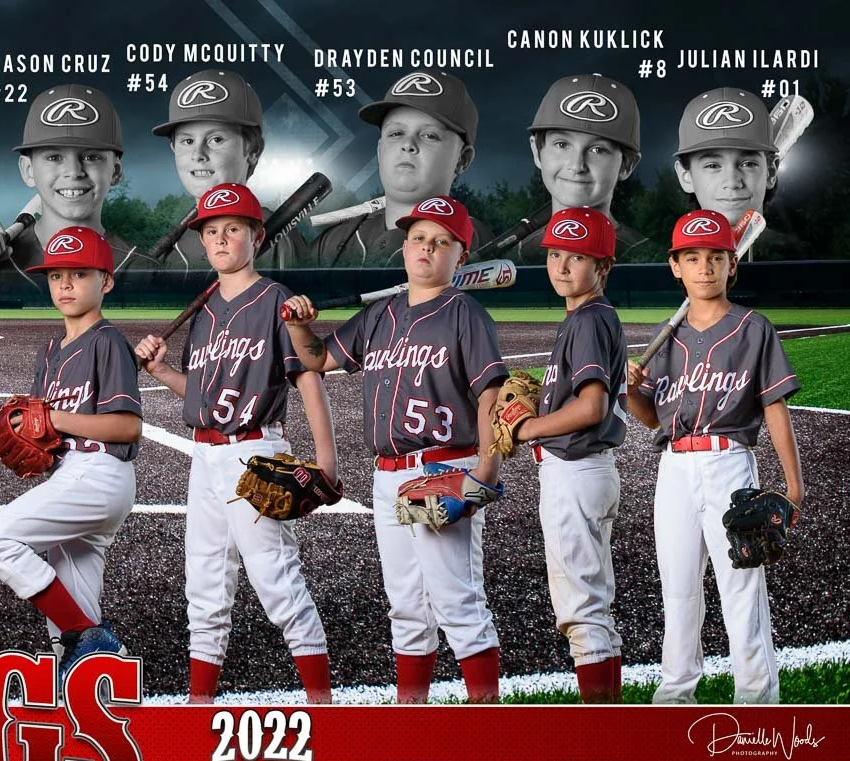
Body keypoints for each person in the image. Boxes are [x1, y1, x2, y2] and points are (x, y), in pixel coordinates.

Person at [282, 195, 510, 703]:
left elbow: (490, 397)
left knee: (457, 601)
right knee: (406, 605)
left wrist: (485, 473)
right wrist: (299, 324)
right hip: (387, 476)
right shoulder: (379, 315)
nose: (427, 248)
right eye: (418, 238)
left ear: (460, 256)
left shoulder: (465, 314)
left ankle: (489, 722)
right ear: (404, 248)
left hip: (444, 467)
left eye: (441, 242)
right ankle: (411, 717)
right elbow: (317, 360)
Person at [133, 184, 339, 703]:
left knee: (277, 581)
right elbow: (200, 391)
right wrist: (162, 371)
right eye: (211, 231)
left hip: (254, 453)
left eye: (233, 229)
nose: (222, 239)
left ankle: (322, 705)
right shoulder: (204, 311)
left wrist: (326, 462)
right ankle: (199, 703)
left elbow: (308, 377)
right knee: (204, 585)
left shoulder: (276, 301)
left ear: (257, 237)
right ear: (202, 242)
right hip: (204, 455)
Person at [622, 209, 804, 704]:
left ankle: (757, 701)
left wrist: (794, 485)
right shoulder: (667, 336)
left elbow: (774, 406)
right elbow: (651, 419)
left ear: (732, 264)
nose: (704, 267)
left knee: (741, 588)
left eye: (716, 257)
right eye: (692, 257)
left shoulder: (753, 328)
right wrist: (632, 390)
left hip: (729, 463)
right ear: (675, 266)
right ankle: (675, 696)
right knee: (678, 589)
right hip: (674, 467)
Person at [0, 225, 142, 671]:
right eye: (55, 275)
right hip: (71, 474)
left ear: (106, 282)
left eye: (79, 274)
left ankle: (91, 637)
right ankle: (95, 677)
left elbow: (127, 427)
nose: (65, 285)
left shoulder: (107, 340)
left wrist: (55, 419)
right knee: (69, 611)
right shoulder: (50, 350)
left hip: (99, 474)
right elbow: (39, 428)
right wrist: (30, 435)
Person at [504, 208, 631, 702]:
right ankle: (612, 723)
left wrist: (528, 427)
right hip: (589, 471)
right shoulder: (589, 317)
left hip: (574, 471)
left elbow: (591, 406)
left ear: (603, 268)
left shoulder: (588, 320)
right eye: (555, 254)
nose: (560, 266)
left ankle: (598, 733)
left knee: (580, 610)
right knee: (594, 606)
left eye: (576, 257)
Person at [0, 84, 157, 304]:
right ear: (28, 170)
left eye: (91, 157)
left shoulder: (143, 271)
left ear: (115, 171)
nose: (73, 171)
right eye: (54, 157)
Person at [309, 71, 494, 267]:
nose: (407, 144)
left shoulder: (482, 246)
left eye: (429, 135)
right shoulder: (330, 243)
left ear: (462, 159)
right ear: (380, 150)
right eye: (396, 133)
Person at [150, 69, 306, 269]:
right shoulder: (175, 246)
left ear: (253, 150)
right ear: (173, 148)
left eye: (216, 139)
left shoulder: (275, 232)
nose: (198, 154)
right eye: (187, 141)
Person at [509, 75, 656, 263]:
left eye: (598, 150)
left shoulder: (648, 257)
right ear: (537, 152)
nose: (577, 165)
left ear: (627, 165)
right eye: (562, 144)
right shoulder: (518, 256)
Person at [672, 87, 796, 258]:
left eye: (748, 164)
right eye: (713, 166)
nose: (732, 182)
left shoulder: (796, 253)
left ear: (771, 171)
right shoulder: (671, 259)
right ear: (686, 177)